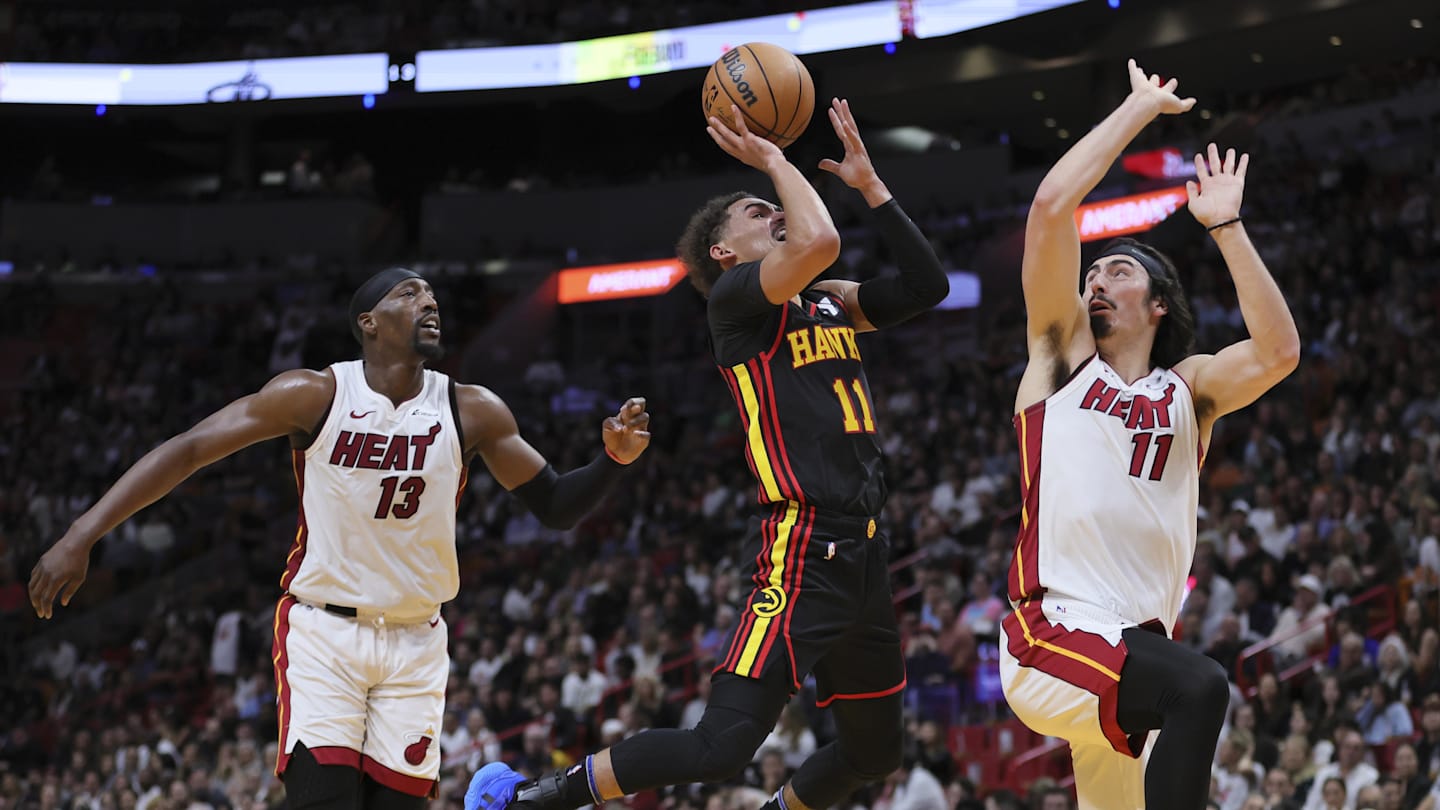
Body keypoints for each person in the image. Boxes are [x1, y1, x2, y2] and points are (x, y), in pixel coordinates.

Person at [465, 97, 948, 810]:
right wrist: (774, 158)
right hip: (803, 547)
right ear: (724, 252)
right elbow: (818, 240)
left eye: (772, 203)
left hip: (868, 549)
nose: (773, 209)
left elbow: (927, 287)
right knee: (719, 747)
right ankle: (534, 800)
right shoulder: (737, 303)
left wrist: (872, 187)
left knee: (875, 754)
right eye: (757, 211)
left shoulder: (827, 301)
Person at [28, 268, 652, 809]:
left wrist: (613, 462)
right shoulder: (315, 394)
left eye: (432, 294)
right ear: (368, 323)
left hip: (417, 641)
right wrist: (83, 533)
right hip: (326, 633)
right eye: (410, 294)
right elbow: (190, 448)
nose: (430, 301)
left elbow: (556, 505)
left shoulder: (473, 409)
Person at [999, 59, 1301, 810]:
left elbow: (1279, 353)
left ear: (1159, 302)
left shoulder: (1188, 390)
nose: (1096, 281)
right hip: (1055, 633)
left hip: (1136, 653)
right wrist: (1138, 108)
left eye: (1117, 271)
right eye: (1092, 273)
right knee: (1200, 687)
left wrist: (1226, 227)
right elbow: (1051, 208)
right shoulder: (1061, 360)